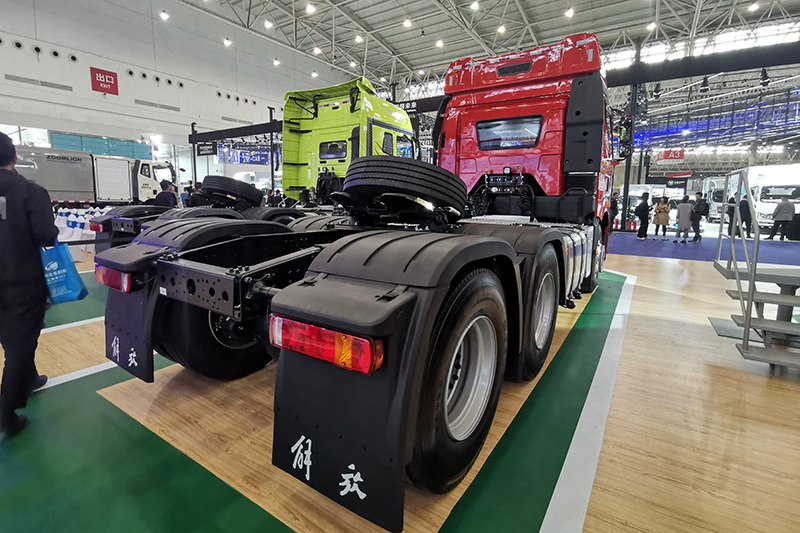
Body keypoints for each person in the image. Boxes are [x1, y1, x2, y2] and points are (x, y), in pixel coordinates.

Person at [0, 132, 58, 435]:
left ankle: (30, 377)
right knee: (21, 344)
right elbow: (46, 234)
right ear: (14, 157)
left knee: (9, 335)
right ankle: (6, 413)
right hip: (21, 279)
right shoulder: (29, 191)